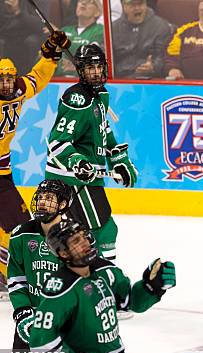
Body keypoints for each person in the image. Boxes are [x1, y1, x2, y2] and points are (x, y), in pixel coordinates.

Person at [28, 218, 176, 353]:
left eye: (84, 236)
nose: (85, 242)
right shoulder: (60, 289)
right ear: (64, 253)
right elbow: (42, 345)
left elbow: (131, 302)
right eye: (76, 241)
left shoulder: (105, 269)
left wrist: (151, 287)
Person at [44, 44, 138, 262]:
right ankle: (101, 273)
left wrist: (118, 161)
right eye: (89, 68)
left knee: (85, 231)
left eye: (98, 67)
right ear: (80, 71)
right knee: (103, 230)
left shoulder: (100, 95)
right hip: (71, 178)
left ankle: (89, 272)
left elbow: (102, 131)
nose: (96, 72)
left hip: (88, 177)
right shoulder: (77, 99)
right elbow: (57, 142)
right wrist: (77, 162)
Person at [0, 30, 71, 295]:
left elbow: (38, 77)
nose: (7, 84)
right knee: (18, 225)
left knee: (12, 225)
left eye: (9, 78)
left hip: (3, 171)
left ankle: (4, 272)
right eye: (1, 80)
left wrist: (51, 52)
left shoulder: (18, 91)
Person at [7, 180, 73, 353]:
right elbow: (16, 278)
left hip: (65, 320)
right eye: (41, 197)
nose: (42, 202)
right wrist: (22, 311)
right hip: (32, 319)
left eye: (49, 198)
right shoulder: (21, 234)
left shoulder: (75, 238)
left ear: (62, 205)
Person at [111, 0, 172, 78]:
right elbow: (105, 55)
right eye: (132, 5)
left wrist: (154, 67)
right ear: (123, 6)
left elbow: (163, 56)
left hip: (150, 79)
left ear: (146, 4)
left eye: (140, 4)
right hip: (119, 80)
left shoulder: (161, 26)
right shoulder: (113, 28)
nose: (137, 8)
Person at [57, 0, 105, 77]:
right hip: (59, 80)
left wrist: (76, 65)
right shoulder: (65, 30)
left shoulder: (101, 30)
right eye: (80, 1)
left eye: (90, 1)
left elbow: (94, 57)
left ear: (98, 12)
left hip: (85, 81)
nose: (83, 3)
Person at [0, 0, 44, 73]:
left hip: (28, 35)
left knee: (31, 41)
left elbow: (40, 24)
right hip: (5, 35)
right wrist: (8, 12)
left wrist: (18, 12)